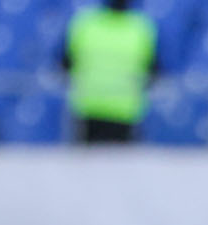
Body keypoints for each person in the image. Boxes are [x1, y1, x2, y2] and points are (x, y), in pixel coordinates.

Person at [62, 0, 156, 145]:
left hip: (89, 107)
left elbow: (65, 64)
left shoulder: (85, 23)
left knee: (87, 158)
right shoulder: (142, 27)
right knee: (121, 158)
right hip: (126, 111)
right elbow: (154, 70)